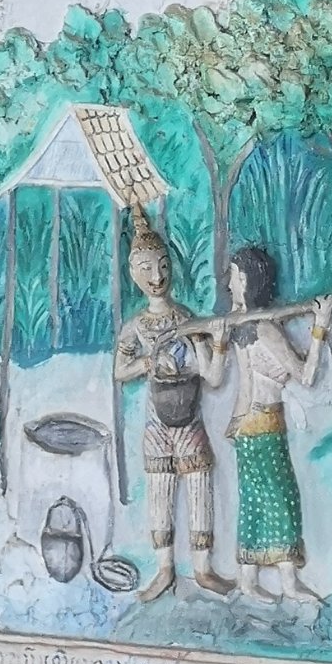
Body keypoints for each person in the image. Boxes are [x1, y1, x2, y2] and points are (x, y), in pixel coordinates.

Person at [113, 217, 235, 600]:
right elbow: (120, 371)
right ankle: (165, 568)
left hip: (190, 420)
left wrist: (217, 344)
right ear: (133, 273)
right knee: (160, 491)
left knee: (199, 487)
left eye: (163, 265)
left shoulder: (186, 320)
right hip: (157, 423)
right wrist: (147, 362)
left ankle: (203, 569)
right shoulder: (136, 327)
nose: (157, 276)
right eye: (146, 268)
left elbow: (212, 376)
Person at [208, 245, 330, 604]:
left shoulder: (247, 328)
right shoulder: (262, 330)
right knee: (280, 501)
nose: (230, 285)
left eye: (234, 277)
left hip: (250, 424)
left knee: (257, 502)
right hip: (262, 424)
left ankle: (250, 578)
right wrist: (320, 329)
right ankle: (286, 583)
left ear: (248, 281)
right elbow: (306, 375)